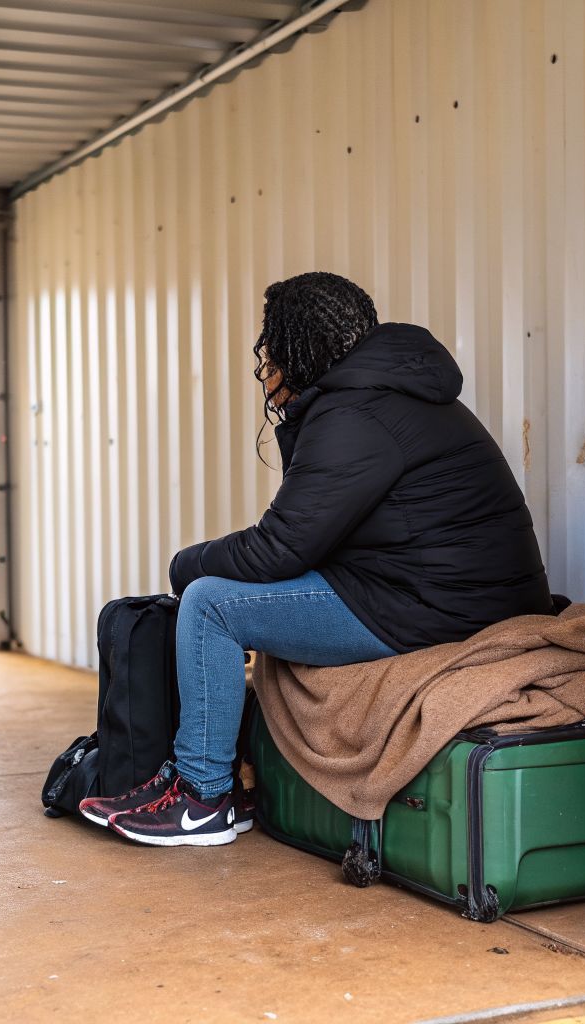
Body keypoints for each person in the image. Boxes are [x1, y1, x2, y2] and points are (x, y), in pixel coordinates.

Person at [79, 271, 552, 847]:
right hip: (446, 592)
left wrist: (187, 564)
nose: (268, 367)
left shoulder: (355, 414)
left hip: (440, 607)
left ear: (302, 349)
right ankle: (203, 779)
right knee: (231, 592)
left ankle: (204, 799)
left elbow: (279, 546)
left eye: (273, 350)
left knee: (210, 604)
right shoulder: (392, 393)